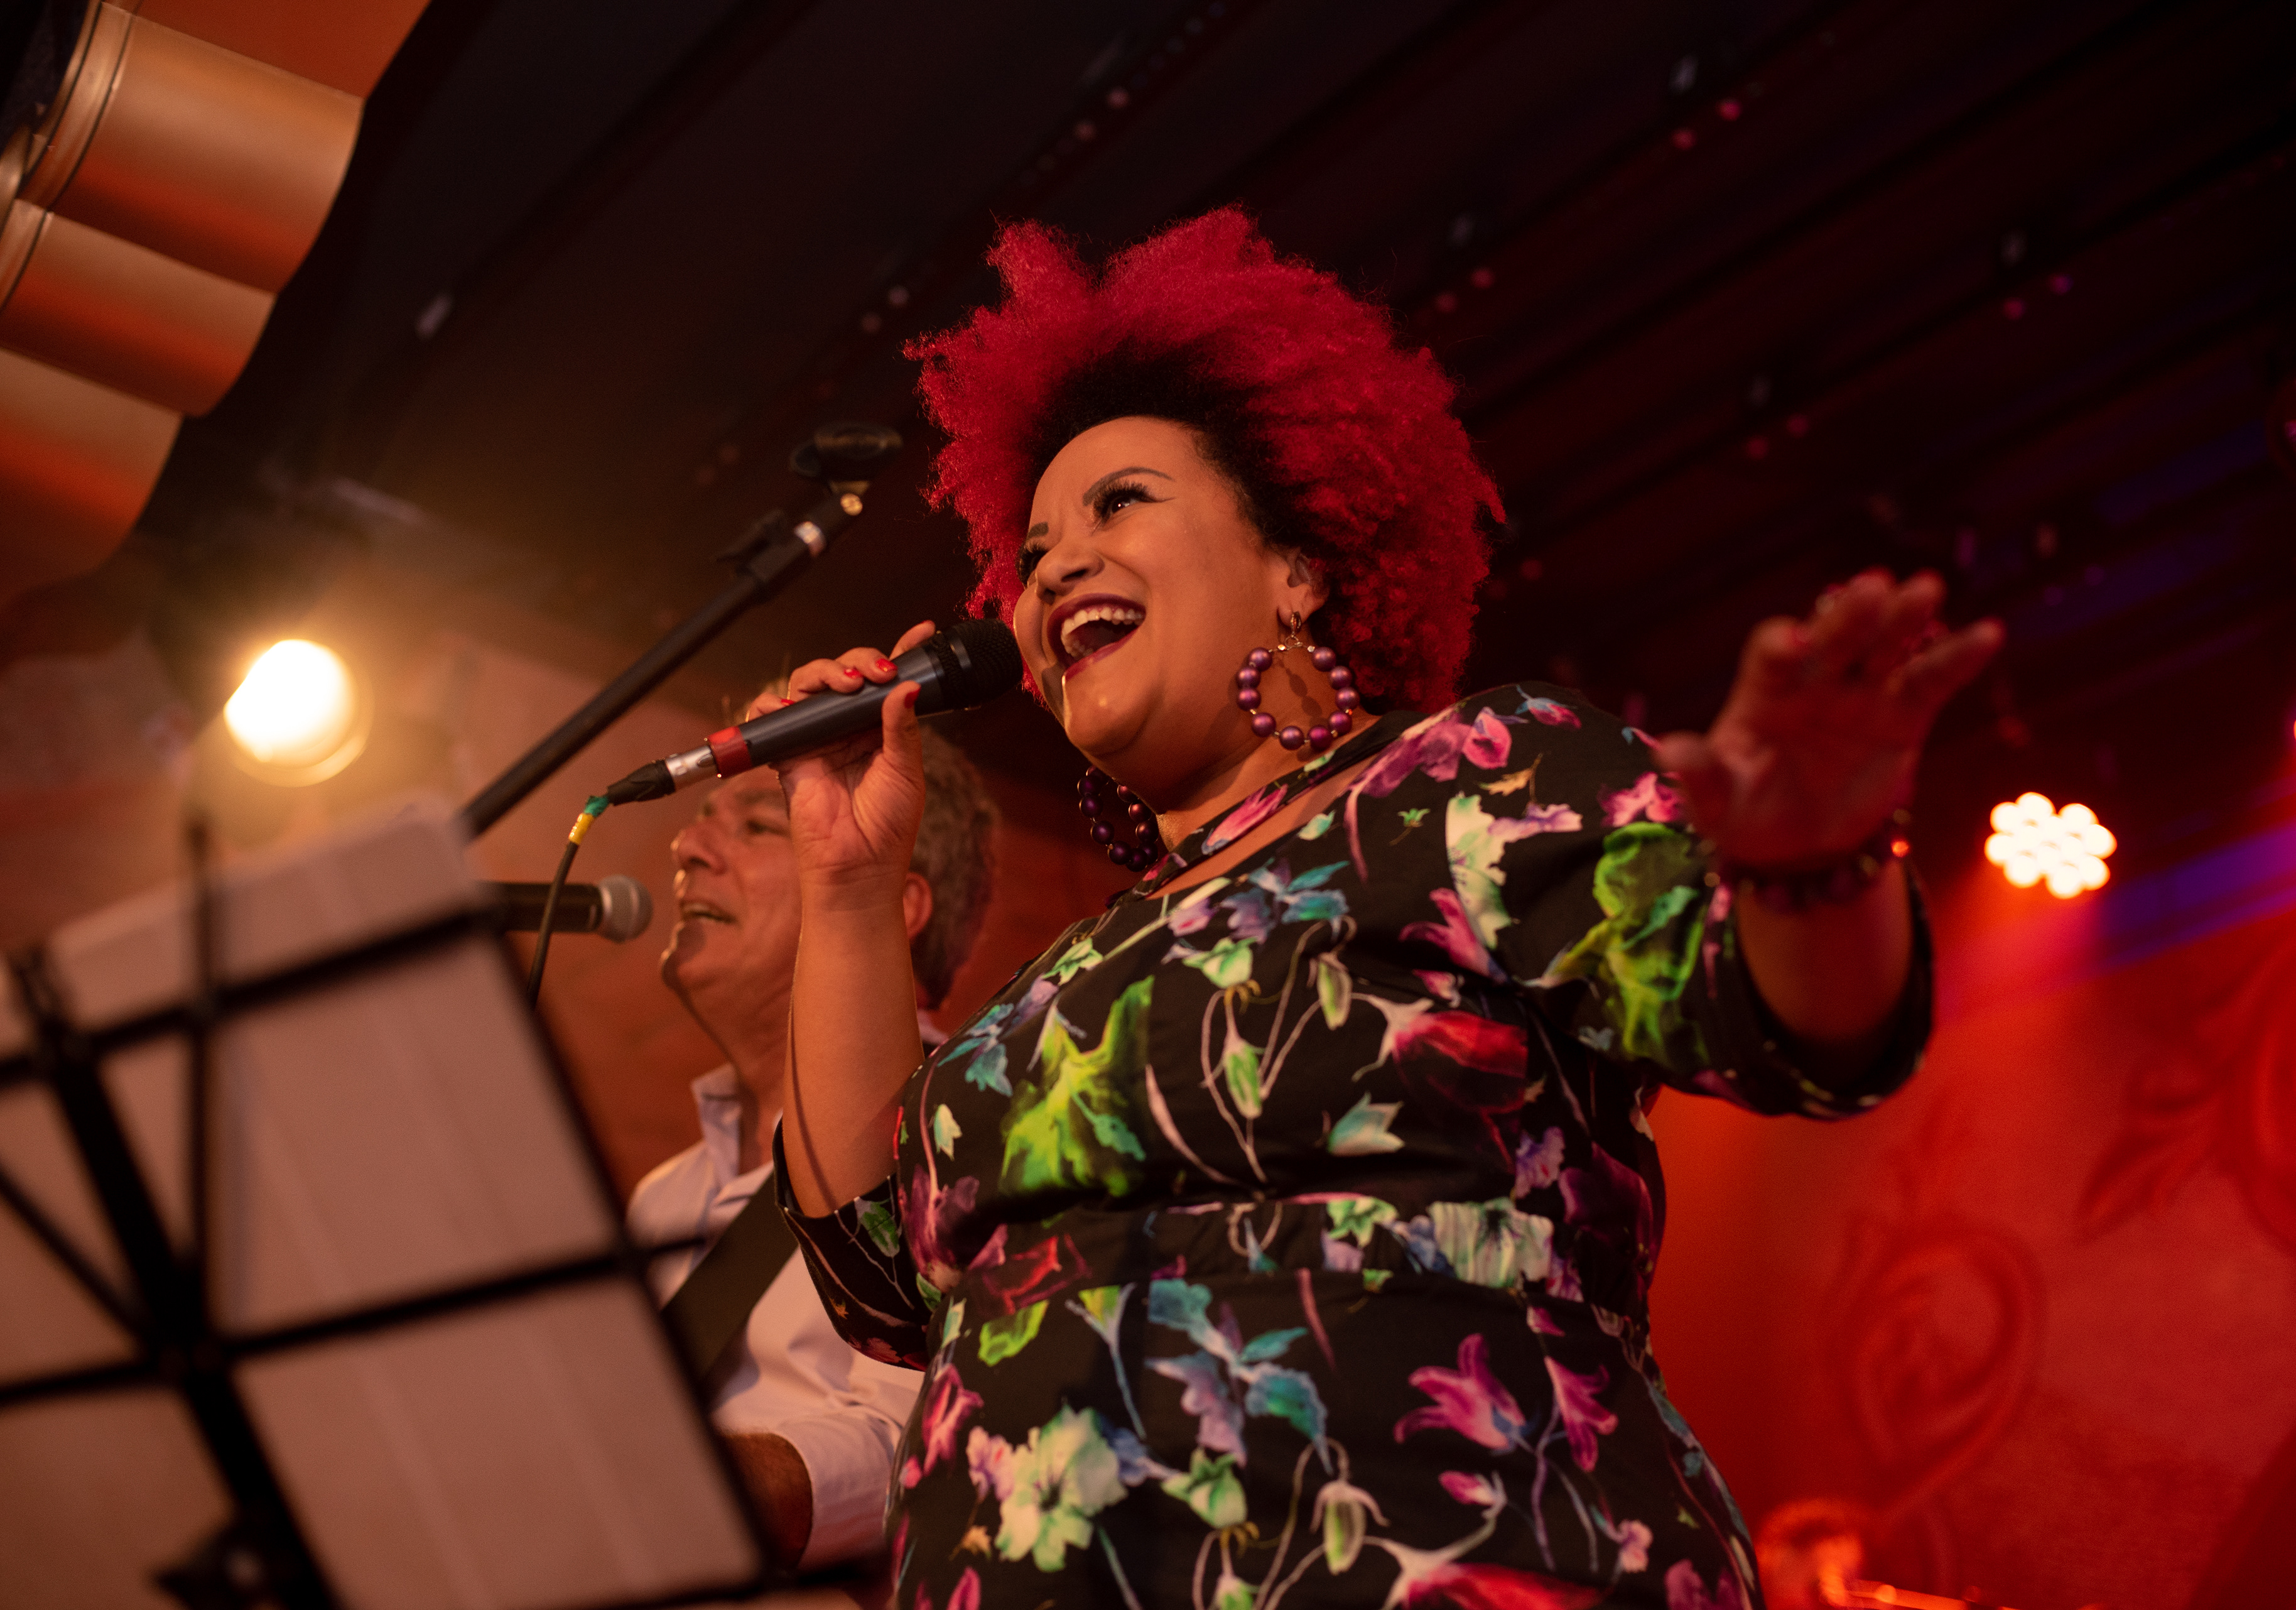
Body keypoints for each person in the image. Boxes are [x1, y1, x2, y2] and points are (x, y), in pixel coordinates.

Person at [758, 209, 2003, 1609]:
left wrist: (1811, 868)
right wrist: (847, 884)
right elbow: (882, 1282)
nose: (1051, 569)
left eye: (1119, 505)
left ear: (1298, 565)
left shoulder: (1472, 777)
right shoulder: (1059, 984)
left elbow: (1788, 1022)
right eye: (1034, 546)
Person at [627, 719, 998, 1570]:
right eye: (703, 820)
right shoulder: (663, 1196)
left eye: (760, 824)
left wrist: (678, 1481)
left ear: (893, 901)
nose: (687, 847)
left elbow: (927, 1439)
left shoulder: (963, 1131)